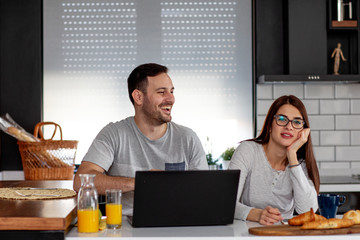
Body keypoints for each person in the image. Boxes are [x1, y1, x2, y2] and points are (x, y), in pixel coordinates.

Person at [73, 63, 208, 215]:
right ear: (138, 97)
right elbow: (80, 182)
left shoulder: (188, 138)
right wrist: (142, 182)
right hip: (125, 228)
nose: (171, 99)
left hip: (177, 224)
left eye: (171, 91)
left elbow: (204, 192)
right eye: (162, 92)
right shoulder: (113, 134)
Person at [228, 95, 320, 225]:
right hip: (244, 233)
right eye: (282, 119)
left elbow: (307, 210)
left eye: (297, 122)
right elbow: (227, 204)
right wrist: (257, 214)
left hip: (283, 233)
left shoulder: (300, 164)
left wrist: (292, 155)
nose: (289, 127)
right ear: (270, 125)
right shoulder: (248, 151)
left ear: (302, 131)